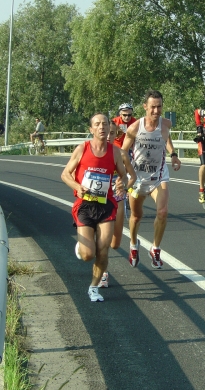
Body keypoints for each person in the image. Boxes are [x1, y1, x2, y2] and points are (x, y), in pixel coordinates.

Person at [61, 112, 127, 302]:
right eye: (97, 124)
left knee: (103, 248)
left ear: (109, 127)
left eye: (105, 124)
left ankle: (94, 287)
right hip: (85, 205)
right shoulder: (82, 148)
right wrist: (76, 186)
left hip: (106, 204)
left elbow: (123, 175)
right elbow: (65, 174)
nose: (102, 127)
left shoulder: (114, 151)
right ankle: (82, 248)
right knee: (88, 255)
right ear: (91, 129)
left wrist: (123, 183)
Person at [122, 89, 181, 269]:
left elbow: (166, 138)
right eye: (153, 107)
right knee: (136, 216)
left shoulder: (166, 124)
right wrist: (127, 174)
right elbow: (123, 151)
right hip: (138, 178)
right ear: (145, 107)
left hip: (158, 176)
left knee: (162, 212)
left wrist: (173, 154)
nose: (156, 111)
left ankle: (155, 248)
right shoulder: (134, 128)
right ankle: (133, 245)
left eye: (159, 107)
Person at [98, 121, 137, 288]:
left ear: (116, 135)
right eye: (106, 132)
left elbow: (132, 177)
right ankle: (103, 274)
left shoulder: (121, 154)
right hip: (97, 198)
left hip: (116, 198)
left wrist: (124, 187)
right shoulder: (92, 152)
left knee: (115, 244)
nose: (108, 136)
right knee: (103, 240)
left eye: (112, 133)